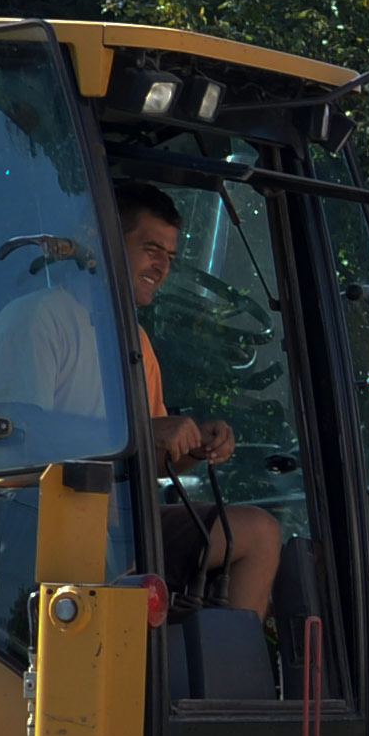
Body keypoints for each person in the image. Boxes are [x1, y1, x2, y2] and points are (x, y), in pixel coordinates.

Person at [119, 181, 284, 630]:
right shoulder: (41, 319)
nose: (162, 266)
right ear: (107, 240)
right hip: (45, 522)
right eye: (151, 248)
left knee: (259, 533)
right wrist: (142, 430)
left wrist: (195, 447)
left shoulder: (137, 344)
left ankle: (233, 684)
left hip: (125, 519)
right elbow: (17, 435)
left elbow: (150, 456)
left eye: (170, 257)